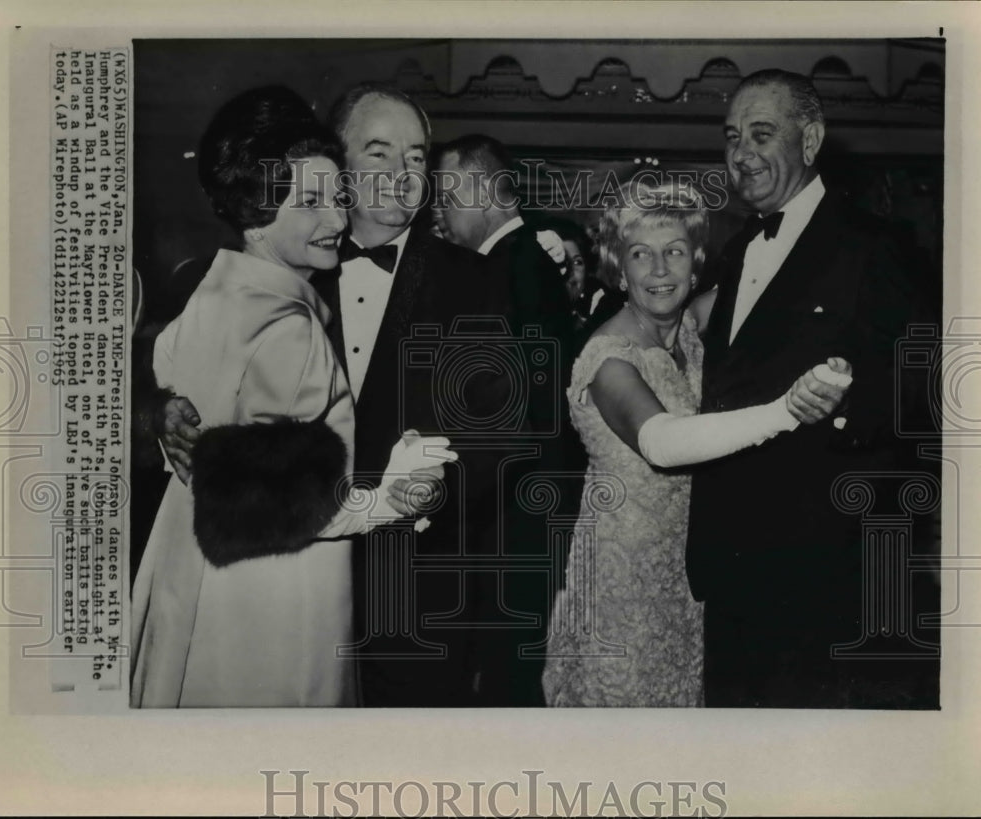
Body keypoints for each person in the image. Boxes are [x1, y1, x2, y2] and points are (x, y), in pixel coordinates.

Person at [155, 84, 514, 706]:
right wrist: (165, 418)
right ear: (334, 160)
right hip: (273, 584)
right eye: (379, 153)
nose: (402, 174)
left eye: (416, 156)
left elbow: (501, 433)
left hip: (412, 592)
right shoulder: (291, 264)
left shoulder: (478, 284)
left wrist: (429, 492)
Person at [541, 180, 852, 706]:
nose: (659, 270)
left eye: (675, 252)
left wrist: (833, 367)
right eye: (641, 254)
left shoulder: (693, 326)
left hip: (689, 576)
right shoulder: (608, 358)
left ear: (696, 261)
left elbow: (774, 294)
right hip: (621, 582)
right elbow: (663, 443)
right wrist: (785, 411)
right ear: (619, 266)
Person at [686, 69, 925, 707]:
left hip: (819, 570)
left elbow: (920, 391)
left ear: (811, 139)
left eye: (761, 134)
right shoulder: (735, 249)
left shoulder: (873, 247)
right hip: (731, 562)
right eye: (732, 136)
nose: (741, 154)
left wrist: (849, 406)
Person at [432, 134, 584, 704]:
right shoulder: (519, 261)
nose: (439, 211)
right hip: (519, 499)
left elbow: (518, 405)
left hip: (512, 505)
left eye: (446, 195)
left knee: (506, 669)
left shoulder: (509, 265)